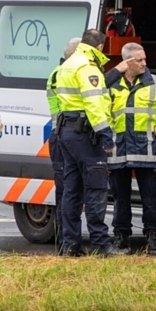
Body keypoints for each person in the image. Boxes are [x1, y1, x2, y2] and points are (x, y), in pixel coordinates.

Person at [106, 43, 156, 255]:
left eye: (144, 59)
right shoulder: (111, 85)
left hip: (146, 150)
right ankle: (121, 239)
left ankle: (153, 240)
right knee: (120, 199)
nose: (144, 63)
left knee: (151, 199)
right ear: (127, 62)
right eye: (139, 60)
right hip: (118, 150)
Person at [54, 28, 119, 256]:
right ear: (100, 46)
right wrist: (105, 134)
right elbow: (94, 104)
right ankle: (101, 245)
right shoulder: (88, 67)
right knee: (96, 190)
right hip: (85, 135)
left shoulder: (68, 64)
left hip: (67, 131)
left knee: (71, 191)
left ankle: (70, 245)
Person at [45, 37, 81, 247]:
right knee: (67, 191)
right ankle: (65, 242)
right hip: (63, 133)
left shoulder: (58, 72)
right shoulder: (63, 74)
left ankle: (66, 242)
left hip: (60, 133)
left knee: (66, 191)